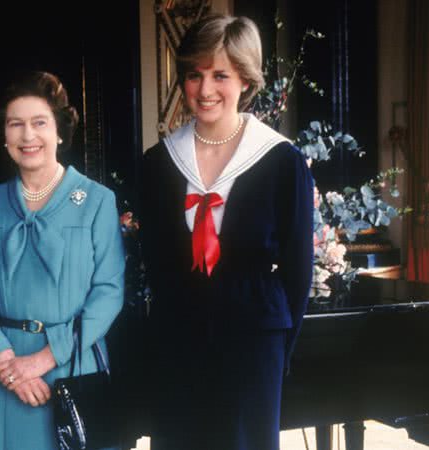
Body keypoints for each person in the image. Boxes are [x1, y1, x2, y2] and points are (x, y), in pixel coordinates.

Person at [139, 14, 314, 450]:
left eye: (220, 75)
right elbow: (156, 265)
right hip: (178, 340)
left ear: (245, 79)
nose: (205, 89)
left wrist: (275, 350)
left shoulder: (281, 161)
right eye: (194, 75)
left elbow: (298, 272)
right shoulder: (158, 163)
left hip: (254, 343)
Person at [0, 71, 125, 449]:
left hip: (73, 367)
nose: (27, 135)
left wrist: (44, 359)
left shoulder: (97, 201)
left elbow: (110, 292)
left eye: (39, 123)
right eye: (15, 124)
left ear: (60, 132)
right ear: (4, 136)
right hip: (4, 370)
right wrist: (7, 364)